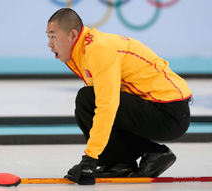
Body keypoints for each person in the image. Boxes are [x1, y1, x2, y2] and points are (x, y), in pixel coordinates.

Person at [46, 8, 192, 185]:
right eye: (48, 37)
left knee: (88, 100)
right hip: (159, 108)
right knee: (87, 101)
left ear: (73, 35)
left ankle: (150, 153)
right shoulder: (83, 50)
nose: (49, 44)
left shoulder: (97, 50)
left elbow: (106, 106)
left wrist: (90, 159)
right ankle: (120, 163)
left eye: (53, 36)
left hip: (170, 113)